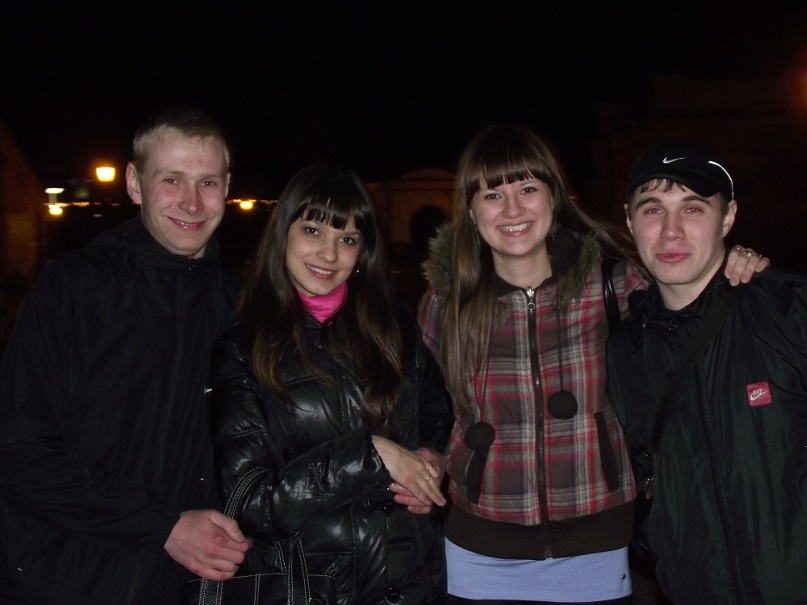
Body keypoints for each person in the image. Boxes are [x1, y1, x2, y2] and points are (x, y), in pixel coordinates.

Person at [417, 125, 767, 605]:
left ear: (554, 197)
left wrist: (734, 261)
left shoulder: (616, 286)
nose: (513, 210)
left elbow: (693, 304)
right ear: (472, 211)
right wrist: (424, 455)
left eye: (528, 189)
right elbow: (426, 409)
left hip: (595, 549)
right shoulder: (444, 305)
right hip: (478, 549)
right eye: (493, 195)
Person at [0, 106, 250, 605]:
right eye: (171, 180)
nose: (192, 202)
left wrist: (383, 454)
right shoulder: (73, 288)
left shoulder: (239, 308)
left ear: (226, 187)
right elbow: (16, 449)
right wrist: (161, 526)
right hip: (58, 581)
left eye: (207, 183)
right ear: (135, 184)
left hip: (178, 588)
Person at [208, 162, 453, 605]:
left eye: (348, 239)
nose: (329, 254)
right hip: (311, 588)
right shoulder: (244, 347)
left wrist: (431, 465)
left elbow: (437, 418)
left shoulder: (393, 324)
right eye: (313, 231)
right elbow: (248, 502)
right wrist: (369, 454)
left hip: (411, 582)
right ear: (283, 233)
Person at [607, 141, 807, 604]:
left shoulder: (789, 311)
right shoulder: (625, 349)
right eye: (653, 209)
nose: (670, 231)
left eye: (693, 208)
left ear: (728, 217)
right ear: (630, 220)